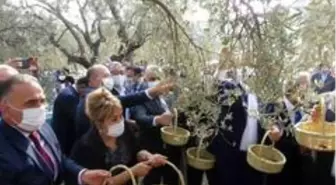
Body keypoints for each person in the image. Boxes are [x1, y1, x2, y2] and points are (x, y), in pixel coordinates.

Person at [0, 74, 110, 185]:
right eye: (30, 103)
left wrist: (82, 174)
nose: (39, 108)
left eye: (42, 101)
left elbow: (57, 158)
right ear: (4, 107)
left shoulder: (43, 126)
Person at [71, 87, 167, 185]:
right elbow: (102, 182)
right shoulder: (85, 147)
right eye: (114, 119)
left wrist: (147, 156)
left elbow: (136, 149)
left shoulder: (126, 129)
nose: (120, 121)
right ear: (99, 122)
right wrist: (132, 172)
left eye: (121, 115)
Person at [75, 64, 173, 141]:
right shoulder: (91, 98)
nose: (110, 79)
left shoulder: (99, 92)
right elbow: (124, 101)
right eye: (106, 76)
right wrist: (152, 92)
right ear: (92, 80)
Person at [207, 68, 263, 185]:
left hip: (251, 157)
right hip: (230, 154)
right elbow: (216, 91)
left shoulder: (260, 97)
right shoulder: (231, 87)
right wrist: (221, 68)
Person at [130, 65, 180, 185]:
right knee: (152, 178)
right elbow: (140, 117)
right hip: (151, 146)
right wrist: (157, 119)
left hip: (170, 145)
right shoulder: (140, 95)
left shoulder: (168, 94)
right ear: (145, 79)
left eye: (157, 78)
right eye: (152, 79)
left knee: (172, 176)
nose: (155, 82)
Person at [51, 76, 88, 156]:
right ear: (82, 87)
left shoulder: (71, 92)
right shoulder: (69, 96)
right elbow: (77, 118)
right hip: (65, 139)